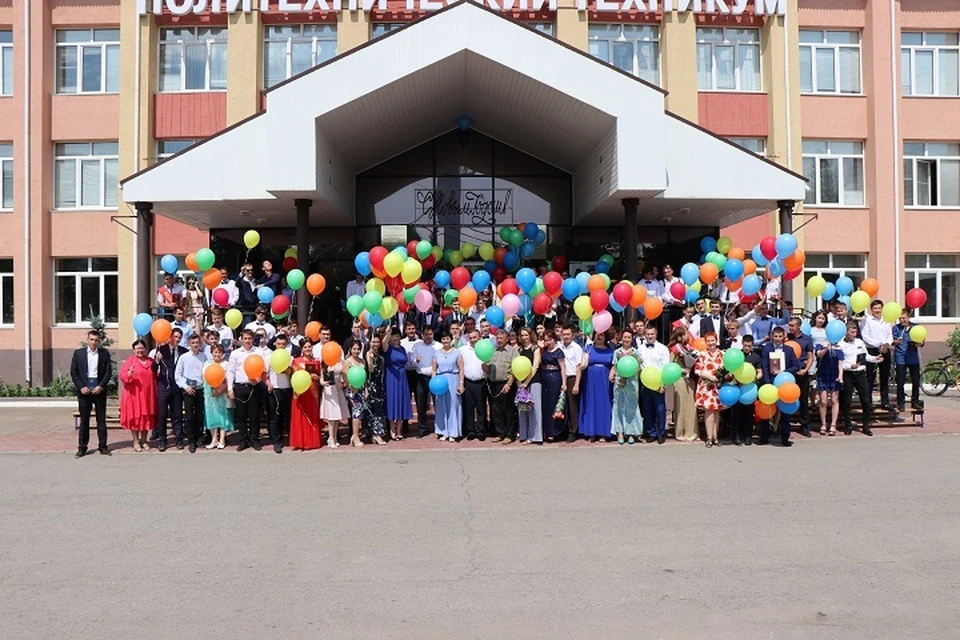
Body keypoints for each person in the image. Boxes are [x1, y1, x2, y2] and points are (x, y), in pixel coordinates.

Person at [70, 330, 113, 457]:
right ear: (88, 340)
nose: (94, 342)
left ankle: (103, 447)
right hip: (84, 392)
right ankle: (82, 447)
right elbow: (74, 372)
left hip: (99, 391)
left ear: (99, 341)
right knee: (84, 421)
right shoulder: (79, 354)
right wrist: (81, 386)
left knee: (101, 420)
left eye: (96, 340)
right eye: (91, 340)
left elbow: (108, 372)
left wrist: (101, 386)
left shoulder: (104, 354)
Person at [759, 326, 801, 447]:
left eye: (780, 336)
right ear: (772, 336)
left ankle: (785, 438)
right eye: (775, 336)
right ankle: (764, 437)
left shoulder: (789, 350)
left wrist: (784, 371)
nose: (777, 339)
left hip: (785, 384)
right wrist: (767, 383)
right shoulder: (767, 349)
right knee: (767, 411)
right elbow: (765, 367)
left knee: (785, 412)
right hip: (770, 383)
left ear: (784, 337)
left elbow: (796, 366)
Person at [838, 321, 881, 436]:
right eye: (852, 332)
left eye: (855, 332)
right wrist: (849, 366)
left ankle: (866, 425)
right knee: (847, 401)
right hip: (848, 374)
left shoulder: (859, 342)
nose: (854, 334)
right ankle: (848, 425)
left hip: (860, 374)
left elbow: (866, 356)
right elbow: (840, 363)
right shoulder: (841, 344)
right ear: (846, 332)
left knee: (866, 401)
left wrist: (875, 358)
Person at [228, 329, 266, 451]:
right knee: (241, 416)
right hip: (240, 387)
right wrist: (230, 389)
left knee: (254, 416)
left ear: (253, 339)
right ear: (241, 339)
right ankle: (243, 440)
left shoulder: (258, 352)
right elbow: (230, 372)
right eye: (245, 338)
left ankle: (255, 440)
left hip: (254, 387)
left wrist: (258, 380)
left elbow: (263, 370)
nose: (248, 341)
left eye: (250, 338)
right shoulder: (235, 353)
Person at [119, 339, 156, 452]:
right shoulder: (130, 361)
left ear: (145, 349)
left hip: (148, 394)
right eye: (137, 348)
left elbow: (156, 375)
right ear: (133, 350)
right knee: (136, 418)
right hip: (134, 395)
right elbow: (122, 375)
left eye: (142, 348)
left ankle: (144, 440)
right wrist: (129, 374)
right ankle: (135, 441)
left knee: (146, 417)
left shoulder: (150, 361)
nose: (140, 350)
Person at [153, 328, 187, 451]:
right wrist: (157, 360)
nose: (177, 339)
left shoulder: (184, 351)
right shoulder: (161, 350)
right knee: (162, 415)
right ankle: (162, 440)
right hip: (164, 387)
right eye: (175, 336)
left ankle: (179, 439)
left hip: (177, 388)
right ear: (170, 337)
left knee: (177, 414)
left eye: (179, 337)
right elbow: (153, 369)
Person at [175, 334, 208, 453]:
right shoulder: (183, 357)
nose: (195, 345)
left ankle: (199, 437)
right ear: (189, 344)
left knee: (199, 415)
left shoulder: (204, 357)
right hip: (188, 390)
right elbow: (178, 375)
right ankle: (191, 441)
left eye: (197, 343)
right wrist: (185, 387)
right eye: (193, 343)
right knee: (189, 417)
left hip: (200, 389)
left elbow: (206, 373)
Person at [638, 324, 670, 444]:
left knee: (660, 409)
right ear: (644, 335)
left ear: (656, 334)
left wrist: (663, 384)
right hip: (644, 383)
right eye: (648, 334)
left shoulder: (663, 349)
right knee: (646, 409)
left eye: (652, 334)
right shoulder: (640, 349)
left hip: (658, 383)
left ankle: (661, 433)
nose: (650, 336)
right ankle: (651, 433)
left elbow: (666, 367)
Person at [610, 328, 643, 445]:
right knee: (619, 405)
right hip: (619, 382)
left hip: (632, 382)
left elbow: (640, 367)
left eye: (629, 337)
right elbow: (614, 366)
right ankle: (619, 432)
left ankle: (631, 433)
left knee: (632, 406)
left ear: (631, 339)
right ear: (621, 338)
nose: (626, 339)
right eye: (625, 337)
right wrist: (611, 374)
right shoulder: (617, 352)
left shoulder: (636, 352)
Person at [579, 330, 613, 442]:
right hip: (591, 379)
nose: (599, 337)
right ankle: (591, 432)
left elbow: (614, 365)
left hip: (604, 380)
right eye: (597, 335)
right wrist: (584, 360)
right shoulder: (588, 348)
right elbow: (583, 365)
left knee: (604, 404)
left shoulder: (610, 350)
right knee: (591, 404)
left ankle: (603, 433)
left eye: (602, 335)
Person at [485, 329, 518, 444]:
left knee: (508, 410)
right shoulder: (492, 351)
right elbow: (488, 368)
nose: (499, 341)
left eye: (501, 338)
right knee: (496, 410)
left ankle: (510, 434)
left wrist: (509, 384)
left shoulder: (512, 351)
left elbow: (516, 369)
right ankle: (500, 433)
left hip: (506, 384)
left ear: (507, 339)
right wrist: (485, 368)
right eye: (497, 338)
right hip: (493, 384)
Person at [861, 299, 894, 411]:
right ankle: (868, 403)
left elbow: (890, 335)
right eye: (875, 308)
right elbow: (865, 335)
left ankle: (885, 402)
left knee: (884, 377)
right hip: (872, 350)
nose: (877, 310)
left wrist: (886, 344)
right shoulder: (867, 320)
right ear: (871, 310)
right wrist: (878, 344)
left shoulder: (886, 320)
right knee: (870, 377)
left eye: (879, 308)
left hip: (885, 350)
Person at [289, 339, 322, 451]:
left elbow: (320, 376)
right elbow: (294, 376)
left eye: (309, 347)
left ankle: (312, 442)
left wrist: (316, 377)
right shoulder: (296, 362)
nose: (308, 349)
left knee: (312, 415)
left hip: (313, 393)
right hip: (301, 392)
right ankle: (300, 442)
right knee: (300, 417)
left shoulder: (317, 361)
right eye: (305, 347)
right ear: (302, 349)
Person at [431, 331, 464, 442]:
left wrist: (461, 383)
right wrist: (433, 383)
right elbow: (434, 369)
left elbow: (461, 369)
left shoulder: (456, 352)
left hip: (453, 379)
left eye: (447, 339)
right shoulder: (436, 353)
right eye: (443, 339)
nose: (445, 341)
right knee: (441, 406)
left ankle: (454, 432)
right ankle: (443, 431)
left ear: (451, 339)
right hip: (440, 381)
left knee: (453, 406)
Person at [667, 328, 699, 442]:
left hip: (690, 378)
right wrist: (682, 370)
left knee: (691, 404)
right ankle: (680, 431)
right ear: (679, 337)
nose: (687, 337)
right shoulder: (674, 349)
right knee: (681, 405)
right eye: (685, 335)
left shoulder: (689, 349)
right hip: (679, 378)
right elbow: (670, 365)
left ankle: (691, 431)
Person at [694, 332, 724, 448]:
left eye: (713, 340)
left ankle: (716, 437)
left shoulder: (722, 354)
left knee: (717, 411)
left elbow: (727, 368)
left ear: (716, 341)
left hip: (719, 386)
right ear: (705, 343)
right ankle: (709, 438)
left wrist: (722, 377)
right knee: (709, 411)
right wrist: (709, 376)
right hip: (707, 386)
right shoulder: (702, 355)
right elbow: (697, 370)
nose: (711, 343)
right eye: (709, 341)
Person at [382, 325, 413, 440]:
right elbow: (384, 343)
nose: (395, 338)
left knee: (401, 402)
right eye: (393, 336)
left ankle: (399, 430)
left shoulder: (402, 348)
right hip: (391, 377)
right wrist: (388, 332)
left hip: (402, 377)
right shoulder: (387, 348)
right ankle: (392, 429)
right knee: (391, 402)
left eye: (397, 336)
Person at [787, 316, 815, 437]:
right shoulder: (787, 338)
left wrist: (806, 370)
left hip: (802, 371)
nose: (790, 328)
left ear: (798, 326)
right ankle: (785, 425)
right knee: (787, 398)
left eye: (792, 326)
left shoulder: (807, 339)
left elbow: (810, 356)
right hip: (789, 372)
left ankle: (805, 426)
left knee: (803, 399)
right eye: (789, 326)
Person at [266, 333, 294, 453]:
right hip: (275, 389)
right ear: (275, 344)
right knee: (275, 416)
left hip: (287, 389)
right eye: (279, 344)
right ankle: (276, 441)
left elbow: (293, 374)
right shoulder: (269, 357)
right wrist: (268, 384)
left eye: (283, 344)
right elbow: (263, 373)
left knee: (288, 416)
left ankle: (289, 439)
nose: (281, 346)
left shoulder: (290, 357)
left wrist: (286, 369)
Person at [731, 335, 761, 445]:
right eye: (745, 345)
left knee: (749, 414)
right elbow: (732, 370)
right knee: (737, 414)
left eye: (749, 346)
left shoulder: (756, 357)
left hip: (749, 389)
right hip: (738, 388)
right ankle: (736, 436)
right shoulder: (737, 355)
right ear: (742, 344)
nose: (747, 348)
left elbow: (759, 372)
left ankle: (747, 436)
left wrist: (753, 379)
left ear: (752, 345)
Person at [203, 344, 234, 449]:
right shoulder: (207, 364)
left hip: (222, 394)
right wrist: (213, 388)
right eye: (215, 352)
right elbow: (206, 377)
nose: (217, 354)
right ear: (211, 353)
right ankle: (214, 440)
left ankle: (222, 440)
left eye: (219, 352)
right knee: (211, 416)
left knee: (222, 416)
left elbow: (229, 379)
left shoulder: (226, 364)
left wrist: (221, 389)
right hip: (210, 394)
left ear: (223, 354)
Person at [515, 326, 543, 445]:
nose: (524, 337)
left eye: (526, 335)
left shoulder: (535, 348)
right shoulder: (519, 350)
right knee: (522, 408)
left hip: (534, 381)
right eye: (522, 335)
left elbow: (535, 366)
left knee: (534, 409)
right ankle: (524, 434)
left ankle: (534, 436)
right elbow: (516, 366)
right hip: (521, 383)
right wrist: (519, 383)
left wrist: (527, 382)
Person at [411, 326, 439, 437]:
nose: (428, 336)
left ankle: (439, 427)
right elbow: (412, 362)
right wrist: (416, 360)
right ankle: (422, 428)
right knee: (421, 404)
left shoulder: (438, 346)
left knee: (437, 403)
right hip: (420, 377)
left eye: (430, 334)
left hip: (434, 377)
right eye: (426, 334)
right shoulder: (417, 346)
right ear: (422, 335)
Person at [892, 312, 924, 413]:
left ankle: (915, 401)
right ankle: (900, 402)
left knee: (915, 381)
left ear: (908, 318)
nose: (902, 320)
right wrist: (895, 342)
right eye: (900, 318)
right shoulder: (896, 328)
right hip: (901, 358)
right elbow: (892, 341)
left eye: (904, 318)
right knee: (900, 381)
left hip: (913, 358)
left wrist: (920, 343)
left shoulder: (915, 328)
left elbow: (921, 342)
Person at [539, 329, 567, 442]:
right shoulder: (544, 351)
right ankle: (547, 431)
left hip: (555, 379)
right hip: (545, 379)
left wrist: (564, 383)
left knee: (555, 406)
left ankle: (555, 432)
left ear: (554, 340)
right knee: (546, 406)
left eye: (550, 340)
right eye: (546, 340)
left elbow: (563, 368)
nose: (548, 342)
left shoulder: (559, 352)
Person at [320, 346, 350, 448]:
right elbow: (321, 379)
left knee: (337, 416)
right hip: (329, 391)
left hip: (338, 390)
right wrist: (324, 383)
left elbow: (344, 377)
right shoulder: (324, 363)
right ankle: (331, 438)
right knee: (331, 416)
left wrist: (343, 382)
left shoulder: (341, 363)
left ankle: (335, 437)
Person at [460, 329, 487, 441]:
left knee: (481, 408)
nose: (472, 340)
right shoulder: (463, 350)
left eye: (474, 337)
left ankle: (481, 431)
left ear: (479, 337)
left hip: (481, 382)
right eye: (470, 338)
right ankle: (471, 430)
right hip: (468, 381)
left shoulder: (485, 348)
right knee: (469, 408)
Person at [815, 334, 843, 436]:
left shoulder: (839, 347)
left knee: (834, 400)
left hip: (834, 375)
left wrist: (840, 376)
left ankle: (833, 424)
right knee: (823, 401)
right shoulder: (821, 344)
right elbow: (818, 355)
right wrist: (826, 349)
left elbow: (840, 363)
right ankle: (823, 424)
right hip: (823, 374)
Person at [559, 325, 583, 442]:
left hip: (572, 378)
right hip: (561, 378)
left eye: (568, 334)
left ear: (572, 335)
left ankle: (573, 432)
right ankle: (564, 430)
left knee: (573, 407)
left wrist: (577, 384)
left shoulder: (577, 348)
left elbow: (578, 367)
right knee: (563, 406)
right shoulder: (560, 346)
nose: (566, 337)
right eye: (564, 335)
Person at [365, 332, 388, 445]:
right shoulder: (368, 355)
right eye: (373, 341)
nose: (376, 344)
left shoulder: (380, 356)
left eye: (377, 342)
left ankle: (375, 434)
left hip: (380, 386)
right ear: (369, 342)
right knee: (374, 411)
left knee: (379, 410)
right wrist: (369, 360)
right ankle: (376, 434)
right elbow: (370, 370)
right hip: (371, 386)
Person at [343, 340, 367, 447]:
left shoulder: (362, 362)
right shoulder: (348, 362)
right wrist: (351, 386)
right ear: (350, 349)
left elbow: (364, 377)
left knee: (359, 412)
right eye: (354, 349)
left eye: (358, 349)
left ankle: (354, 435)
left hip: (361, 389)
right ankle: (355, 436)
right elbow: (345, 376)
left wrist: (366, 389)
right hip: (352, 390)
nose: (356, 351)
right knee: (356, 412)